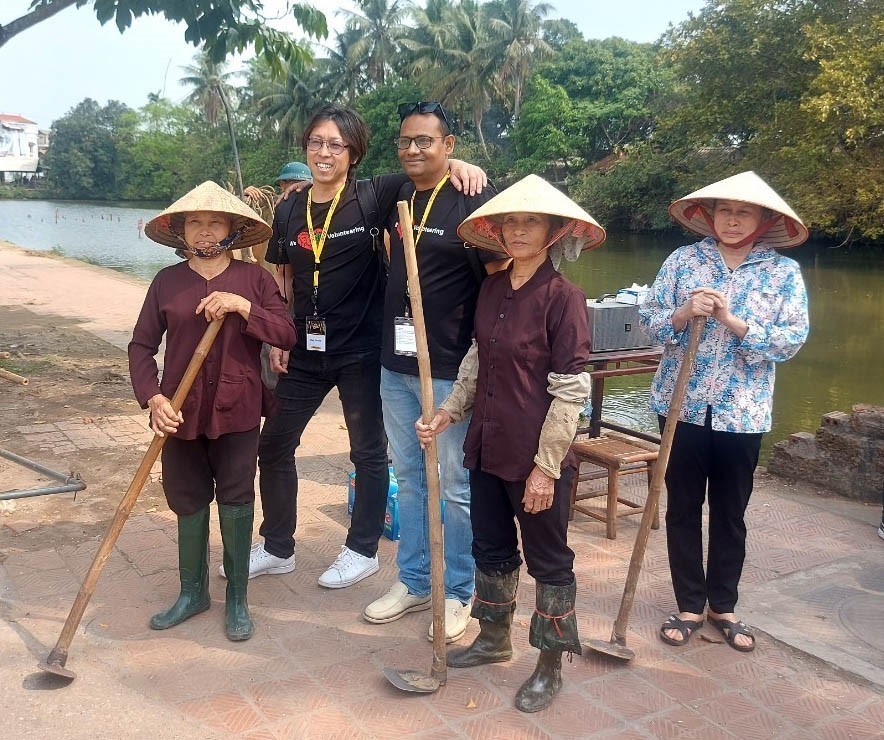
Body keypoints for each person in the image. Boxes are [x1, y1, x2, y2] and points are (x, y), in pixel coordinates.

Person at [245, 104, 488, 589]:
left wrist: (462, 166)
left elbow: (428, 174)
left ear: (353, 153)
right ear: (305, 148)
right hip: (303, 350)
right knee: (273, 444)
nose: (324, 152)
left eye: (336, 144)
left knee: (369, 452)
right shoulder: (290, 206)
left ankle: (361, 550)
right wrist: (277, 333)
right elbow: (282, 273)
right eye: (316, 142)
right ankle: (277, 546)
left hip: (361, 349)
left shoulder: (374, 194)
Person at [415, 174, 606, 712]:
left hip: (535, 454)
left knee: (549, 558)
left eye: (531, 221)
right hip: (487, 444)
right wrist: (449, 412)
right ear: (498, 232)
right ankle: (494, 639)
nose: (520, 230)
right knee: (492, 547)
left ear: (552, 232)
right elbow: (479, 359)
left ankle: (548, 664)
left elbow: (571, 392)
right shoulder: (493, 288)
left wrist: (546, 469)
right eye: (512, 222)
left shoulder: (564, 298)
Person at [639, 171, 810, 653]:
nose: (733, 221)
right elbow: (651, 321)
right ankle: (690, 604)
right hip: (681, 405)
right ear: (709, 215)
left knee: (731, 513)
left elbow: (791, 339)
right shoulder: (683, 261)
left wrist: (731, 321)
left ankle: (723, 606)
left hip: (743, 411)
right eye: (725, 211)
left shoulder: (782, 274)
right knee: (683, 508)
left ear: (763, 220)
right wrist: (681, 313)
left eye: (744, 212)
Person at [362, 102, 506, 643]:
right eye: (405, 141)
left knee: (456, 486)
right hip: (394, 364)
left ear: (449, 145)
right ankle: (416, 580)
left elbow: (499, 278)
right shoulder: (397, 195)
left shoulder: (472, 200)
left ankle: (459, 590)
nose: (414, 149)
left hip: (450, 369)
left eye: (426, 141)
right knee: (411, 476)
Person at [128, 181, 296, 641]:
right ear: (181, 232)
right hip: (179, 410)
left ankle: (238, 599)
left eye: (215, 222)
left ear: (232, 228)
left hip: (237, 409)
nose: (205, 232)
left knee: (238, 497)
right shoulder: (167, 281)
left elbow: (285, 334)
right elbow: (142, 347)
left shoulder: (254, 280)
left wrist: (243, 307)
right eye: (195, 223)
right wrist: (154, 398)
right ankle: (192, 593)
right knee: (187, 497)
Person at [243, 161, 313, 273]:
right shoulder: (272, 211)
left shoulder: (319, 209)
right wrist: (246, 197)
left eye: (300, 183)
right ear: (282, 185)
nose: (297, 187)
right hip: (277, 277)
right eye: (291, 183)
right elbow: (241, 218)